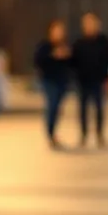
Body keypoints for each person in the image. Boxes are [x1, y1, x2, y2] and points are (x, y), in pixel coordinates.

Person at [71, 12, 108, 147]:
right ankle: (83, 134)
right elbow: (73, 62)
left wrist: (107, 78)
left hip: (98, 80)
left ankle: (99, 134)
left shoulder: (104, 41)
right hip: (83, 81)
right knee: (83, 109)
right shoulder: (79, 42)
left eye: (92, 23)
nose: (90, 26)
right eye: (87, 23)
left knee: (99, 108)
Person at [33, 20, 71, 149]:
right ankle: (50, 134)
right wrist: (52, 56)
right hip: (49, 81)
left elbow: (72, 65)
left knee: (57, 108)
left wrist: (66, 56)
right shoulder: (45, 46)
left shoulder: (65, 46)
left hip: (62, 81)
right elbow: (38, 61)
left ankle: (53, 132)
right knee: (52, 105)